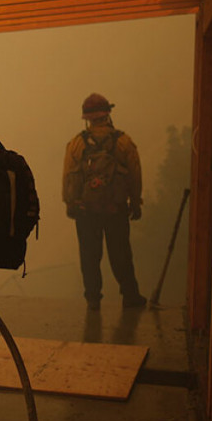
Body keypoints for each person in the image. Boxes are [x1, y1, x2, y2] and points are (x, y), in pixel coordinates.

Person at [62, 94, 146, 311]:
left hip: (85, 210)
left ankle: (92, 299)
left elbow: (68, 176)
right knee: (121, 254)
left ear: (87, 118)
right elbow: (135, 176)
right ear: (108, 113)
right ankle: (130, 295)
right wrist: (135, 204)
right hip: (115, 209)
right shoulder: (124, 142)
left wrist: (69, 204)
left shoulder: (76, 144)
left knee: (89, 256)